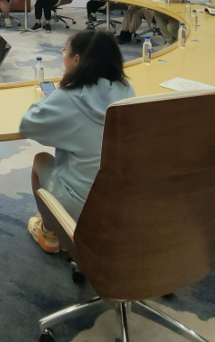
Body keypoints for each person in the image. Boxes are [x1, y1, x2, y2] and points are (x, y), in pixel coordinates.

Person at [20, 30, 135, 252]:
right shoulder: (126, 89)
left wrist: (46, 100)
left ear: (76, 59)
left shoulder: (69, 95)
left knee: (40, 160)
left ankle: (50, 232)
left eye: (65, 52)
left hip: (82, 205)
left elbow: (28, 125)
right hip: (121, 200)